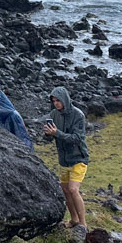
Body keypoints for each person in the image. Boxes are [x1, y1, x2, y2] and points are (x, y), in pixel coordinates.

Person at [43, 87, 89, 230]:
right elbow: (51, 137)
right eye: (54, 101)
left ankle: (83, 224)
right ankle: (74, 220)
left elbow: (76, 138)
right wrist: (48, 134)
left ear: (65, 99)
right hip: (63, 160)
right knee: (65, 189)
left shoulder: (78, 115)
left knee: (73, 189)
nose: (56, 103)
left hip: (78, 158)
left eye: (58, 100)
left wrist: (57, 133)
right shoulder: (53, 114)